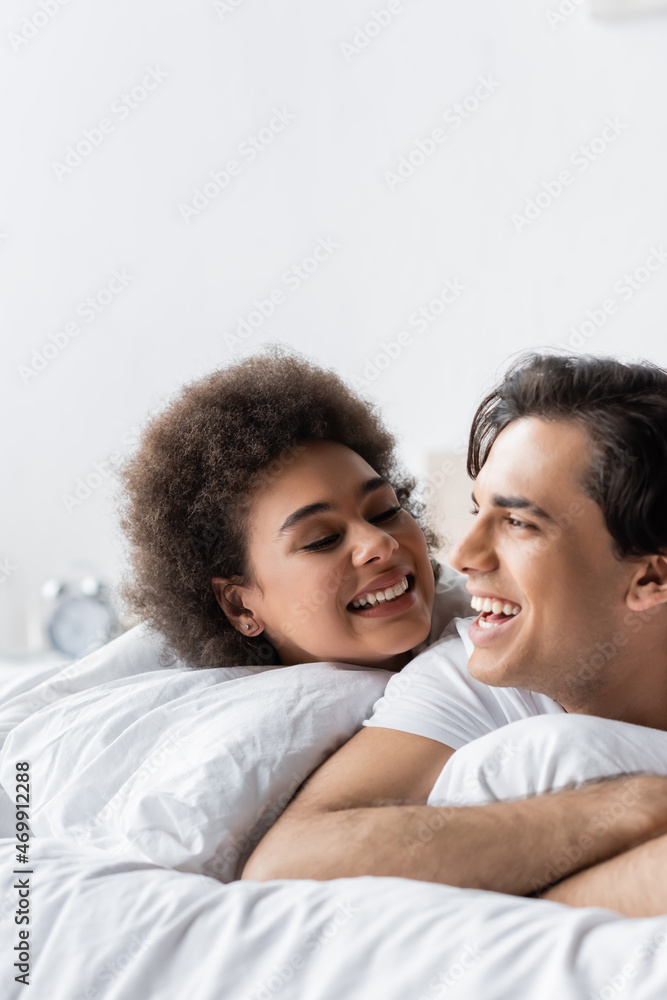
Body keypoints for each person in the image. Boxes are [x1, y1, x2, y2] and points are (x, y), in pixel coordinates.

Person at [242, 352, 667, 918]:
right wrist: (633, 805)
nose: (462, 557)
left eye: (518, 522)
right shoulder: (469, 672)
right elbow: (287, 864)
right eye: (477, 511)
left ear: (651, 576)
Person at [118, 347, 471, 673]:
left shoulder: (494, 631)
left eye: (385, 512)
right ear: (240, 606)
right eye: (323, 539)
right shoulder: (260, 735)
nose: (380, 544)